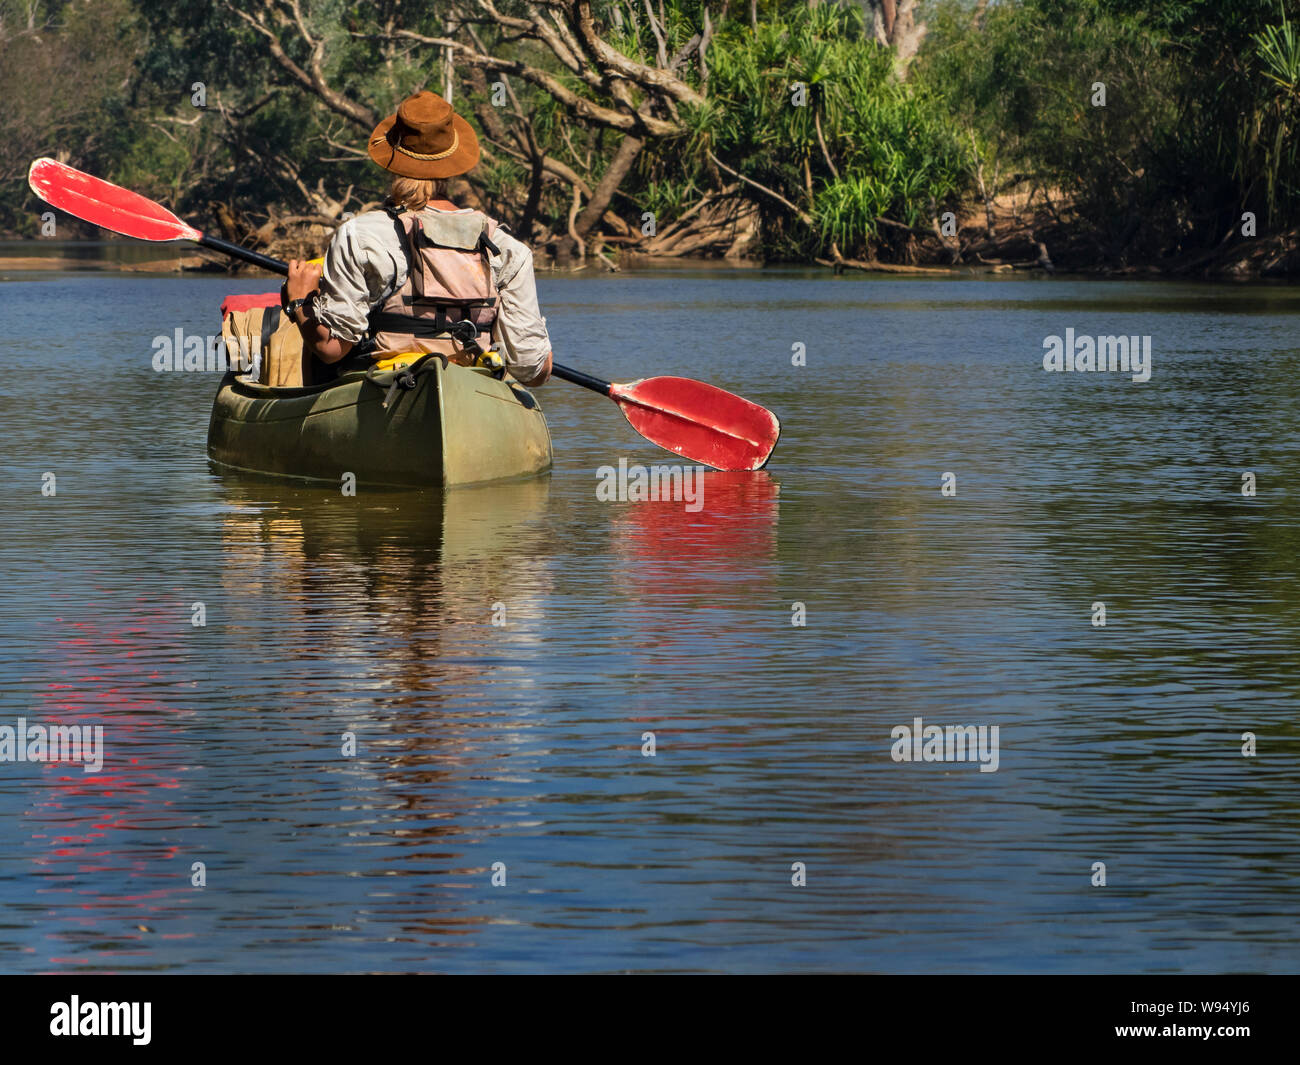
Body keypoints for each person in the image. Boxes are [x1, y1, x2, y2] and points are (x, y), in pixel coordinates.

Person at [282, 90, 552, 386]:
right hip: (473, 387)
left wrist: (299, 301)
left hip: (388, 387)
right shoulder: (508, 249)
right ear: (453, 164)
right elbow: (533, 370)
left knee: (315, 350)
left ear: (392, 159)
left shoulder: (360, 235)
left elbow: (330, 349)